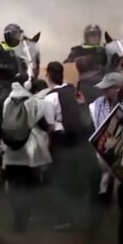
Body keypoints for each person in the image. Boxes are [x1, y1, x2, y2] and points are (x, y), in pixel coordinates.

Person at [87, 72, 123, 244]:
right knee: (99, 200)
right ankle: (90, 240)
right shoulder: (95, 106)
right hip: (100, 160)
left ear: (117, 88)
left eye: (107, 88)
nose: (103, 91)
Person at [44, 61, 96, 231]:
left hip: (60, 142)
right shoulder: (73, 90)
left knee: (60, 182)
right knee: (73, 182)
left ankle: (63, 219)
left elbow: (50, 126)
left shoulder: (50, 97)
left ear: (48, 75)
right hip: (78, 142)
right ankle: (79, 218)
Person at [2, 78, 54, 233]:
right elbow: (46, 124)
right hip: (29, 151)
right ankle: (23, 219)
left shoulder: (7, 101)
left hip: (11, 150)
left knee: (13, 185)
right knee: (27, 186)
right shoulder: (34, 103)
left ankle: (16, 215)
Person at [0, 23, 28, 129]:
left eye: (18, 34)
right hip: (6, 83)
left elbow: (26, 62)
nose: (18, 37)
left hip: (22, 82)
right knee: (0, 100)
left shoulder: (21, 48)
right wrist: (7, 67)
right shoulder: (0, 48)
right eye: (15, 34)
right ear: (8, 35)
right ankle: (0, 123)